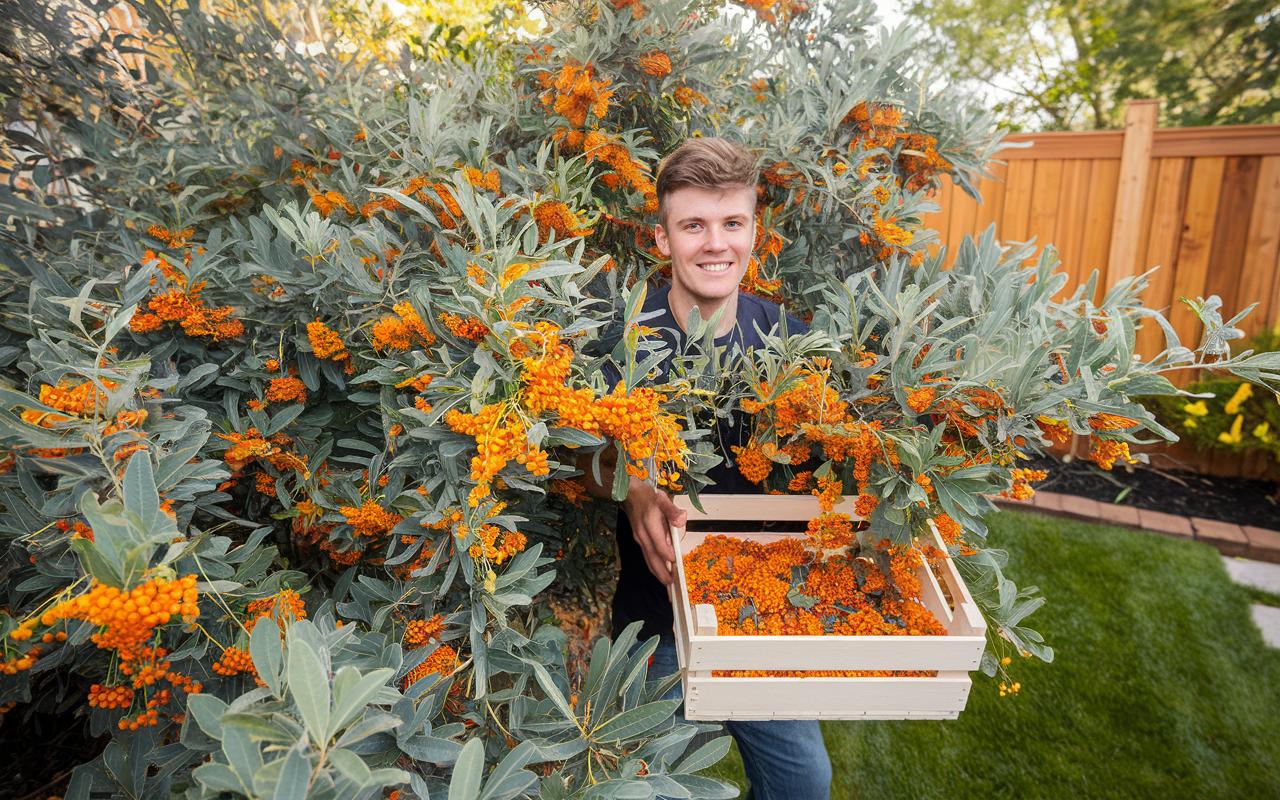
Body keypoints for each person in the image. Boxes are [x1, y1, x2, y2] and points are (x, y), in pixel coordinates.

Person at [585, 137, 833, 800]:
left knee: (804, 783)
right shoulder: (625, 343)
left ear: (755, 231)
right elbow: (588, 456)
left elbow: (830, 458)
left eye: (732, 223)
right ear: (662, 238)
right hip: (656, 621)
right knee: (644, 786)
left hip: (759, 614)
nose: (715, 243)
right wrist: (633, 485)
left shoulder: (791, 339)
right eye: (693, 224)